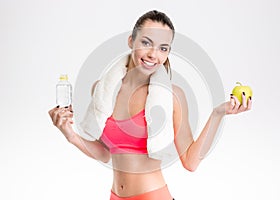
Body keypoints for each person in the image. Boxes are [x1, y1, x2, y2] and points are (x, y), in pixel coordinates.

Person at [48, 10, 252, 200]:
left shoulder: (173, 96)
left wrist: (218, 113)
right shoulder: (102, 90)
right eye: (146, 43)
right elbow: (104, 153)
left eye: (163, 48)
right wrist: (71, 135)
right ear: (131, 41)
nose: (154, 54)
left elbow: (190, 162)